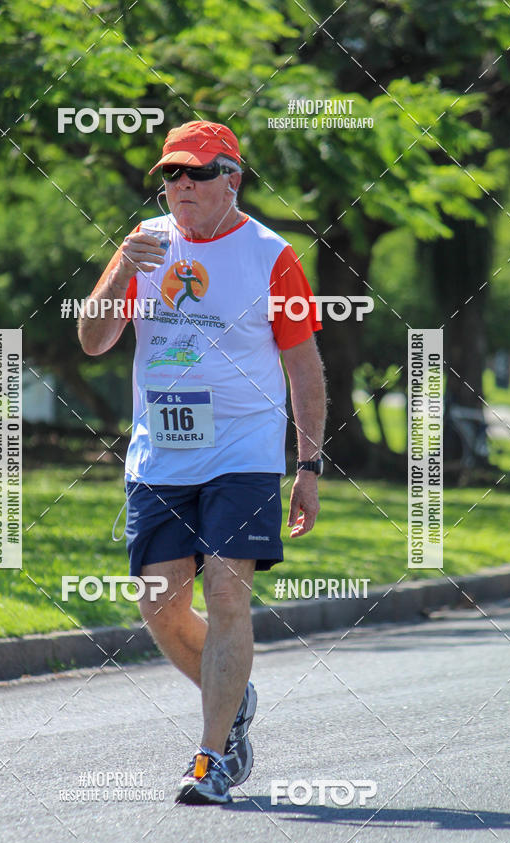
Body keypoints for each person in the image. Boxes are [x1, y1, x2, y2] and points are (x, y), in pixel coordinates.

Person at [79, 121, 327, 805]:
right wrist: (122, 270)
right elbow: (94, 339)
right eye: (171, 174)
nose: (180, 185)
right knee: (159, 605)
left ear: (233, 179)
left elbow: (303, 366)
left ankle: (210, 759)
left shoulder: (271, 256)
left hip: (243, 451)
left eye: (196, 173)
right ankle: (234, 695)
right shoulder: (145, 245)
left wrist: (309, 465)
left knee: (225, 593)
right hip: (161, 453)